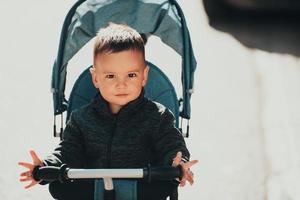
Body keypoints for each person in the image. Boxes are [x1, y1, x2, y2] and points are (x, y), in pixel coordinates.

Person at [18, 23, 198, 200]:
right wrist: (47, 166)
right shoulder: (81, 119)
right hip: (92, 191)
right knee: (58, 186)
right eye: (111, 76)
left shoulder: (157, 116)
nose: (121, 84)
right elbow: (67, 151)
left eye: (131, 75)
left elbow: (171, 145)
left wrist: (178, 165)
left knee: (166, 182)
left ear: (144, 76)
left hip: (142, 191)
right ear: (96, 78)